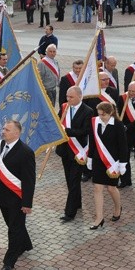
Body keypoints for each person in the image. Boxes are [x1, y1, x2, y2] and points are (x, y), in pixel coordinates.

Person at [0, 121, 35, 270]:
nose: (3, 131)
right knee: (13, 225)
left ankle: (9, 262)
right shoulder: (0, 146)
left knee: (14, 229)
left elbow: (29, 180)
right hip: (2, 196)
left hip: (17, 198)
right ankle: (25, 244)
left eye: (7, 129)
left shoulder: (26, 152)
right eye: (3, 128)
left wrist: (27, 203)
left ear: (16, 133)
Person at [87, 102, 129, 229]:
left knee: (111, 188)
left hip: (113, 163)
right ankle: (99, 218)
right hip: (98, 161)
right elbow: (92, 141)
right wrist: (89, 158)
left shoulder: (118, 125)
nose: (100, 117)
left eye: (103, 115)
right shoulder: (95, 122)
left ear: (110, 113)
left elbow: (123, 146)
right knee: (97, 188)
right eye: (99, 114)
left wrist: (122, 163)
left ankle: (118, 207)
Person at [56, 86, 93, 223]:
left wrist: (67, 131)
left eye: (71, 97)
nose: (68, 99)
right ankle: (77, 203)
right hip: (65, 150)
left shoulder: (87, 111)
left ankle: (69, 212)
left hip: (78, 152)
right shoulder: (64, 107)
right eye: (67, 96)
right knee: (69, 180)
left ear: (79, 97)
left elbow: (85, 131)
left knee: (74, 181)